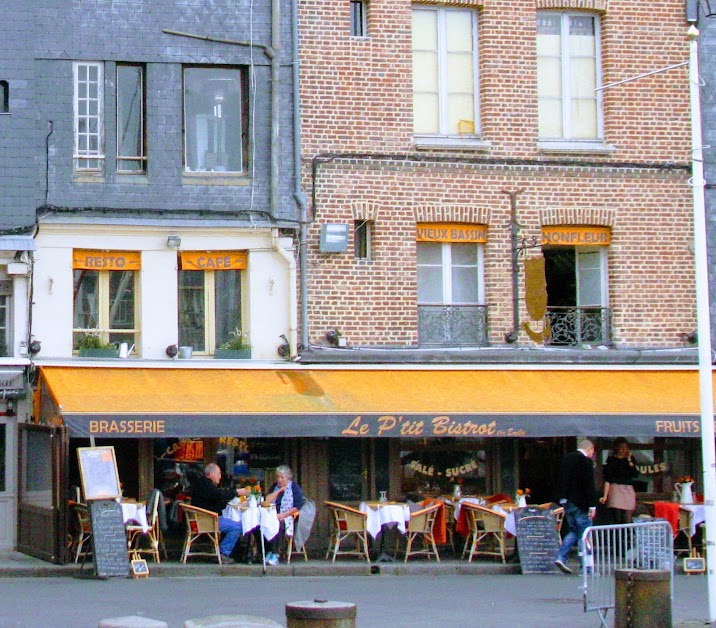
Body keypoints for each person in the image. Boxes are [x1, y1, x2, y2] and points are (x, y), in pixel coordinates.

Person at [554, 439, 599, 574]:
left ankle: (561, 556)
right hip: (582, 503)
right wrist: (592, 505)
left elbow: (560, 480)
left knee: (574, 531)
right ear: (589, 450)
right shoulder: (586, 462)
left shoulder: (566, 459)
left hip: (568, 502)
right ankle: (585, 568)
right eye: (592, 452)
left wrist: (562, 499)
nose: (592, 455)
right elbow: (589, 485)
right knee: (584, 534)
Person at [190, 463, 249, 564]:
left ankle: (221, 550)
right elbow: (218, 495)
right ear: (211, 473)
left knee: (231, 522)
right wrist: (236, 492)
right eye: (218, 473)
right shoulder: (205, 484)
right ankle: (223, 553)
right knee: (238, 526)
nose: (220, 476)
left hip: (202, 520)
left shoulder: (203, 483)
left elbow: (216, 499)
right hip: (206, 522)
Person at [263, 464, 304, 566]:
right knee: (263, 524)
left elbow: (298, 506)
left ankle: (275, 554)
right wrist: (279, 491)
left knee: (278, 524)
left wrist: (284, 515)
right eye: (277, 477)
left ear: (288, 477)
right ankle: (266, 552)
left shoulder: (294, 487)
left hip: (288, 517)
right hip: (272, 514)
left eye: (282, 477)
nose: (279, 480)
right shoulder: (275, 487)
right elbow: (267, 500)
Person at [600, 437, 639, 524]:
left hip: (628, 488)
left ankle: (629, 536)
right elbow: (608, 479)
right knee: (617, 517)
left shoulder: (630, 459)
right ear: (616, 448)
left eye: (625, 447)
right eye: (621, 447)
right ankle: (618, 537)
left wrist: (629, 460)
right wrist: (605, 496)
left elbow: (635, 474)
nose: (623, 449)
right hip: (616, 488)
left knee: (627, 517)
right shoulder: (611, 460)